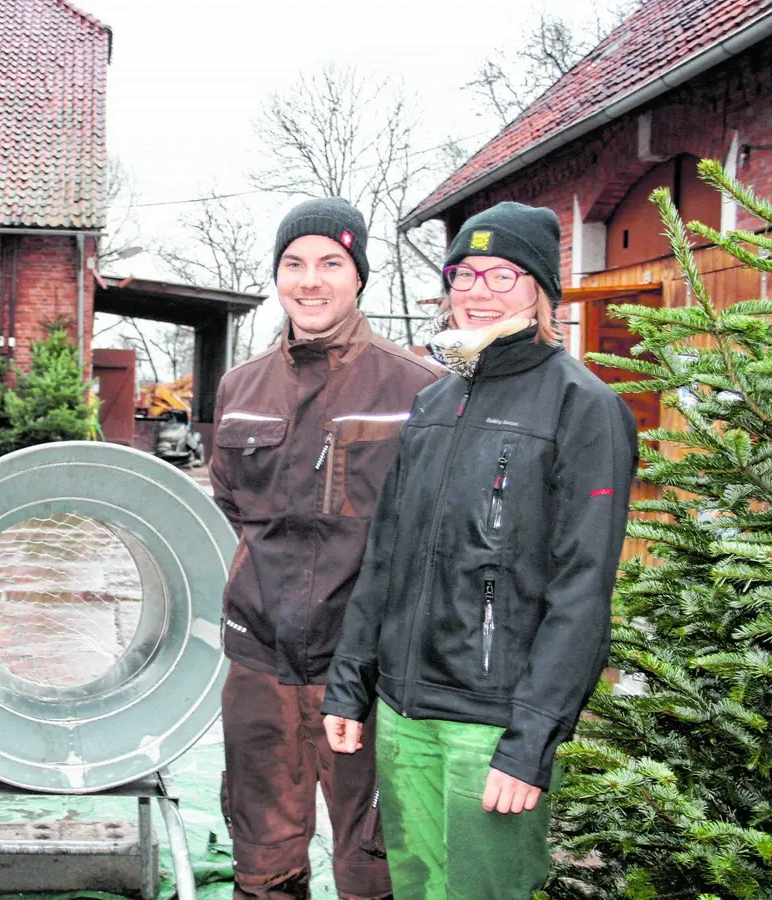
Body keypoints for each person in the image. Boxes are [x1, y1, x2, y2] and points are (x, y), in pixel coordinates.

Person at [320, 201, 638, 899]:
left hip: (491, 727)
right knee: (416, 886)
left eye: (502, 274)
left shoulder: (584, 409)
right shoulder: (436, 405)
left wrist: (531, 743)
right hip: (405, 715)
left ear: (539, 290)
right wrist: (352, 679)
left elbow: (582, 594)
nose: (477, 291)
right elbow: (386, 556)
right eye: (463, 274)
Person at [210, 197, 446, 900]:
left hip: (367, 673)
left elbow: (434, 533)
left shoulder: (419, 389)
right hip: (259, 664)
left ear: (359, 276)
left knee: (374, 865)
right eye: (294, 264)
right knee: (262, 859)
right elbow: (230, 505)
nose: (310, 281)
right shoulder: (240, 387)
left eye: (330, 264)